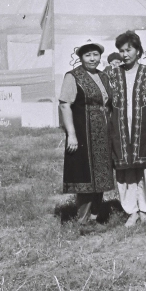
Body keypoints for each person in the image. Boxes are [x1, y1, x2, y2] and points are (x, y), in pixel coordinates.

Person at [105, 30, 146, 227]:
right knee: (124, 172)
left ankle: (145, 210)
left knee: (145, 171)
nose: (125, 54)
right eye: (121, 51)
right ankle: (131, 211)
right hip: (119, 130)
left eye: (129, 50)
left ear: (138, 51)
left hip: (144, 129)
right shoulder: (111, 74)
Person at [58, 39, 113, 224]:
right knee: (84, 173)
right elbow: (65, 105)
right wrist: (71, 134)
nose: (92, 58)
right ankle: (82, 219)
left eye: (95, 54)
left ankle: (96, 217)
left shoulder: (104, 76)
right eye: (87, 55)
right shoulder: (73, 76)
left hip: (102, 132)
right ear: (81, 57)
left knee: (101, 174)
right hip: (83, 132)